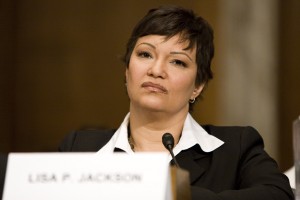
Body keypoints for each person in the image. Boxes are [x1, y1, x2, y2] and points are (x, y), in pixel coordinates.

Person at [59, 5, 294, 200]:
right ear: (127, 70)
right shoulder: (80, 148)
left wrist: (173, 192)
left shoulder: (235, 148)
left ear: (198, 85)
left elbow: (278, 195)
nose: (156, 70)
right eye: (145, 54)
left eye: (178, 62)